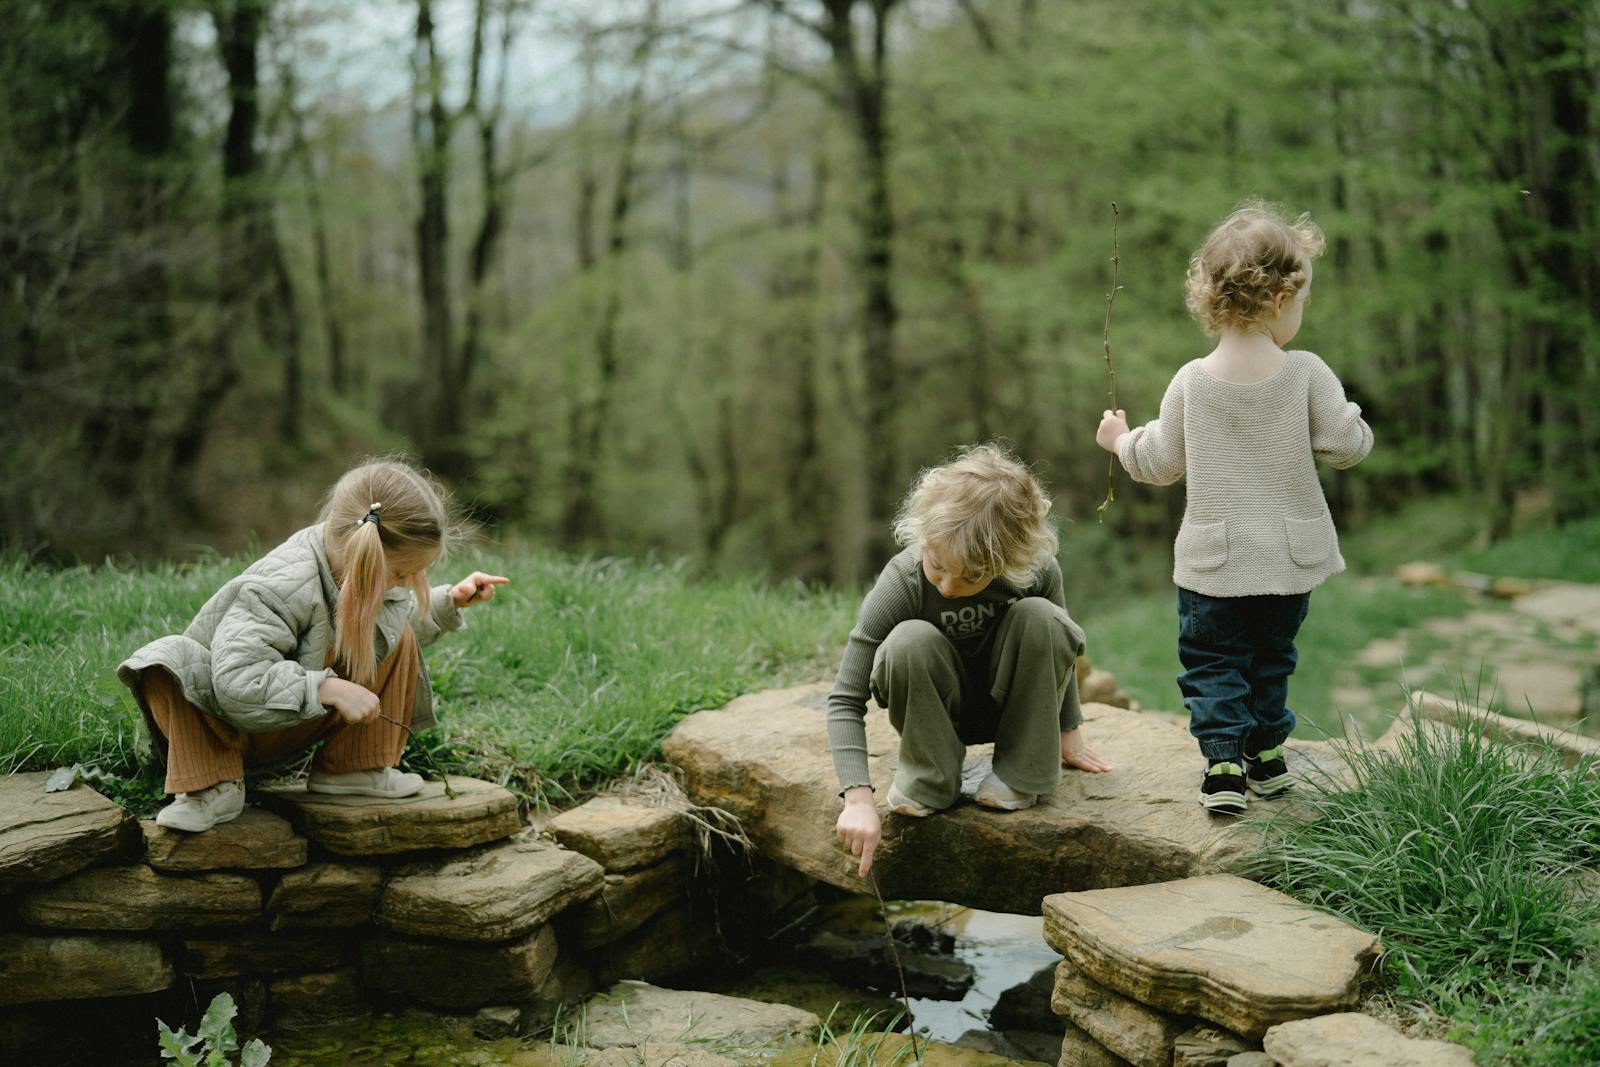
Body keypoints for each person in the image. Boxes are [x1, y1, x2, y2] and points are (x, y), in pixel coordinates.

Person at [1094, 200, 1372, 816]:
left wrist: (1120, 440)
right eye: (1300, 303)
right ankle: (1267, 757)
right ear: (1278, 299)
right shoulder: (1306, 372)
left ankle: (1222, 765)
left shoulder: (1192, 380)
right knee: (1271, 658)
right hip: (1286, 561)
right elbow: (1346, 447)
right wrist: (1347, 412)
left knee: (1213, 661)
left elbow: (1159, 462)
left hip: (1215, 564)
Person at [118, 458, 508, 832]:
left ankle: (353, 766)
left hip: (290, 722)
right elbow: (236, 681)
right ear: (363, 555)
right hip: (223, 723)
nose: (407, 583)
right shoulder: (284, 585)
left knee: (399, 632)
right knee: (165, 659)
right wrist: (326, 686)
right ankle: (210, 785)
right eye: (401, 572)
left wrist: (448, 601)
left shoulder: (361, 576)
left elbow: (393, 627)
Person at [830, 443, 1112, 877]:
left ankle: (1020, 776)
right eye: (937, 564)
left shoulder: (1037, 572)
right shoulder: (901, 581)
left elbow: (1061, 652)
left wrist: (1068, 732)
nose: (945, 586)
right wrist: (857, 799)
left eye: (971, 576)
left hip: (1013, 710)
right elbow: (845, 699)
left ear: (1011, 562)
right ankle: (930, 779)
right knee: (908, 640)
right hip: (936, 714)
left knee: (1045, 618)